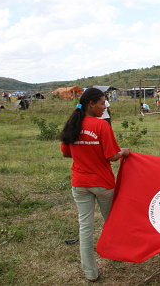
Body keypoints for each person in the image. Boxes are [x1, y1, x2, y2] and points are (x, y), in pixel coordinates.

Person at [59, 88, 129, 282]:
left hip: (80, 184)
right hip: (103, 184)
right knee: (111, 222)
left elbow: (65, 152)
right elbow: (112, 156)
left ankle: (90, 272)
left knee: (85, 227)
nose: (105, 105)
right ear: (91, 104)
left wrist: (83, 153)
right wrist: (123, 152)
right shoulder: (101, 126)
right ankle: (115, 253)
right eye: (101, 102)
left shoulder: (73, 124)